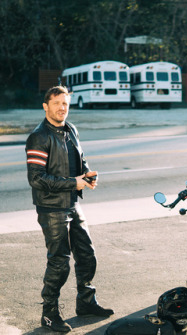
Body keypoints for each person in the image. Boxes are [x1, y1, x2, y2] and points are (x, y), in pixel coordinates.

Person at [26, 86, 114, 332]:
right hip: (51, 208)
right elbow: (36, 178)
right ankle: (49, 313)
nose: (62, 108)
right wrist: (72, 183)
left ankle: (86, 302)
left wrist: (87, 175)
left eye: (65, 103)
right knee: (59, 262)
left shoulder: (71, 129)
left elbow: (80, 160)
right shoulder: (38, 136)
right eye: (57, 103)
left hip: (72, 204)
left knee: (87, 255)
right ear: (46, 106)